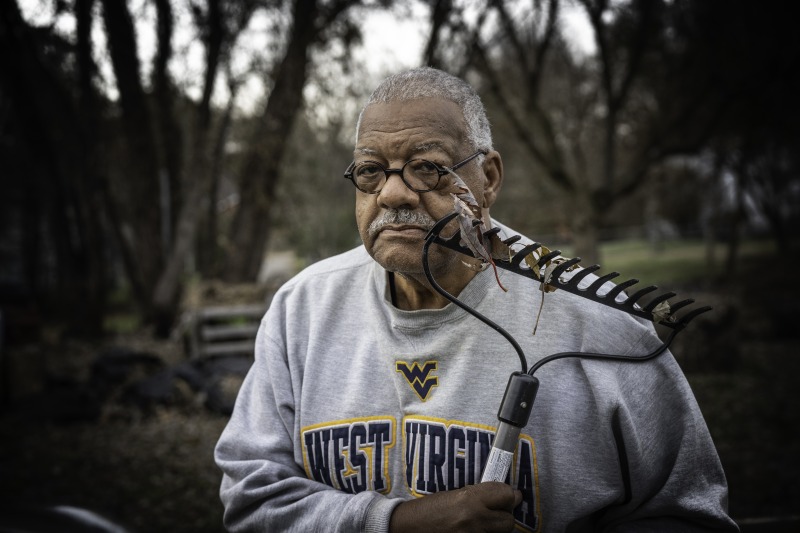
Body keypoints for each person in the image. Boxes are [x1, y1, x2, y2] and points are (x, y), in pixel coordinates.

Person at [214, 67, 738, 532]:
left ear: (486, 179)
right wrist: (397, 522)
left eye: (428, 167)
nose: (392, 194)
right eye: (371, 171)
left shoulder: (601, 325)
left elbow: (687, 515)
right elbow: (251, 500)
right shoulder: (302, 310)